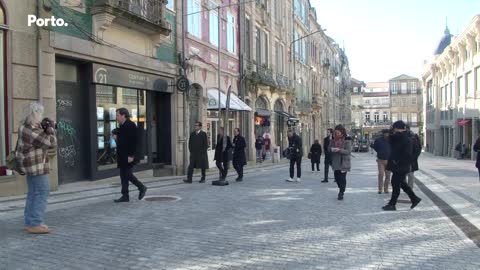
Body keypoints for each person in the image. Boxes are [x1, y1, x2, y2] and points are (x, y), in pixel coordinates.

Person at [16, 102, 57, 234]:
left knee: (33, 193)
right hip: (36, 167)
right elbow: (49, 143)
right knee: (42, 192)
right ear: (34, 114)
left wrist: (46, 130)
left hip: (32, 166)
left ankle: (29, 222)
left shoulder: (26, 127)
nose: (41, 117)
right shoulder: (30, 130)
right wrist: (50, 130)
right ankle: (35, 223)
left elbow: (49, 142)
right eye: (40, 114)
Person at [382, 120, 422, 211]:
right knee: (401, 183)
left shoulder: (406, 138)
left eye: (394, 128)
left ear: (398, 129)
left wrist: (397, 161)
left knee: (395, 184)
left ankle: (392, 204)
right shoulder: (399, 137)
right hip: (399, 165)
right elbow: (391, 142)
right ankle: (414, 199)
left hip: (401, 165)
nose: (393, 130)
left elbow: (407, 154)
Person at [113, 108, 147, 203]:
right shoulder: (122, 126)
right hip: (122, 155)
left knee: (127, 174)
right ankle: (125, 195)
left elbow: (134, 142)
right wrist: (116, 137)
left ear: (123, 115)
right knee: (123, 175)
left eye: (117, 115)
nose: (116, 117)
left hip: (128, 156)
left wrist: (131, 156)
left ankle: (141, 187)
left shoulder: (130, 125)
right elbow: (122, 142)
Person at [330, 125, 352, 200]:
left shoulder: (347, 140)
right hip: (336, 162)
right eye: (335, 133)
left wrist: (339, 150)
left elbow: (348, 151)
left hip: (344, 162)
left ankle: (341, 192)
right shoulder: (333, 140)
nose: (336, 134)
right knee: (337, 178)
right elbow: (328, 148)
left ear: (342, 132)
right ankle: (341, 188)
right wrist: (332, 149)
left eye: (338, 132)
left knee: (342, 178)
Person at [372, 129, 391, 194]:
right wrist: (380, 152)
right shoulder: (378, 140)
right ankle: (380, 189)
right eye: (385, 133)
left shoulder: (391, 140)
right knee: (381, 174)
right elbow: (375, 147)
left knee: (388, 175)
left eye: (387, 133)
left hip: (389, 160)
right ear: (383, 134)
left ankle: (386, 189)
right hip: (380, 160)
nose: (386, 134)